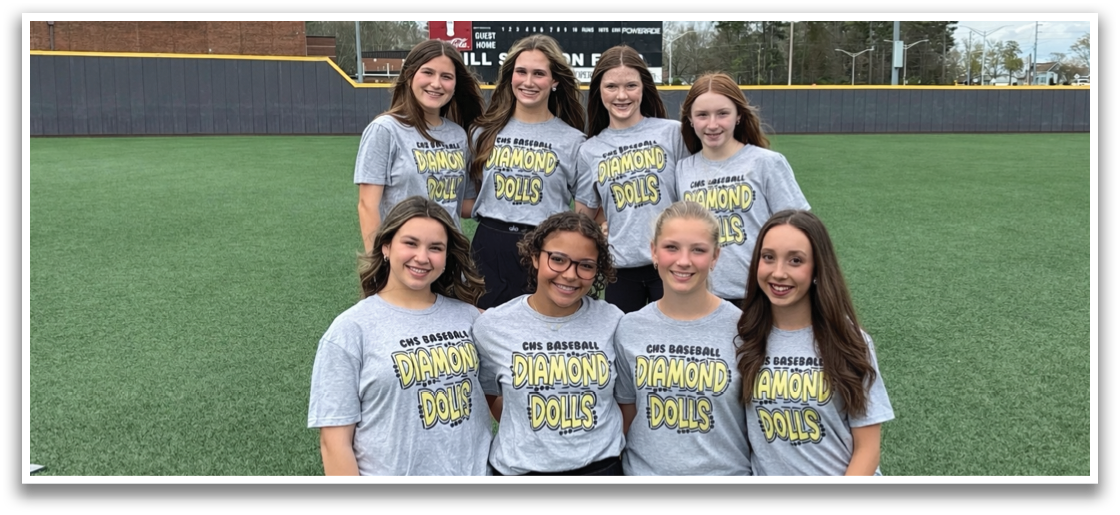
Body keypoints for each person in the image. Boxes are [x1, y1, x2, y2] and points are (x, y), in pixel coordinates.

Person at [308, 196, 492, 475]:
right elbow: (334, 443)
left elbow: (500, 399)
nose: (422, 257)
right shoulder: (350, 330)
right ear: (386, 246)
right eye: (410, 243)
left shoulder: (471, 319)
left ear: (446, 256)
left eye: (435, 248)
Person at [736, 209, 894, 475]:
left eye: (795, 260)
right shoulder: (744, 336)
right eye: (768, 257)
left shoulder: (848, 340)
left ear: (818, 269)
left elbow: (868, 449)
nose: (778, 273)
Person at [472, 211, 625, 475]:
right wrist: (529, 422)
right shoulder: (493, 326)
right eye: (558, 259)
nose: (570, 275)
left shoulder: (613, 321)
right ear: (535, 256)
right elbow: (484, 393)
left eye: (585, 265)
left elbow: (626, 398)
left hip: (600, 467)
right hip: (521, 469)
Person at [614, 201, 752, 475]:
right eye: (671, 247)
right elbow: (627, 417)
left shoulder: (744, 329)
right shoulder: (629, 328)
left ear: (715, 256)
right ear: (654, 251)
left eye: (698, 250)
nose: (684, 261)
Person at [464, 34, 587, 309]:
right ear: (510, 77)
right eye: (521, 72)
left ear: (555, 81)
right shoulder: (482, 133)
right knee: (485, 326)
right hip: (489, 246)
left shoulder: (574, 141)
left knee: (541, 327)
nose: (528, 81)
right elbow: (467, 200)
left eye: (539, 73)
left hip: (546, 246)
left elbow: (587, 211)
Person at [676, 73, 810, 305]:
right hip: (704, 297)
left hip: (759, 294)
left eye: (723, 113)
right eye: (702, 115)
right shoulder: (683, 169)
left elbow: (801, 229)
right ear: (690, 118)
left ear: (738, 115)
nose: (712, 124)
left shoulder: (766, 162)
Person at [574, 45, 689, 314]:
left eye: (631, 86)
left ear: (643, 87)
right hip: (621, 270)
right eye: (611, 86)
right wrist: (602, 226)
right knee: (624, 339)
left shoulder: (673, 133)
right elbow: (583, 218)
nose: (622, 95)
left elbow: (695, 198)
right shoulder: (590, 150)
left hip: (673, 264)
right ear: (599, 90)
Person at [355, 39, 484, 253]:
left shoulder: (459, 136)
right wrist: (378, 260)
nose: (436, 83)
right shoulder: (385, 129)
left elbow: (463, 206)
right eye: (428, 73)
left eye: (446, 77)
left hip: (448, 255)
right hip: (405, 255)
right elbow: (368, 206)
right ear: (409, 76)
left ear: (455, 85)